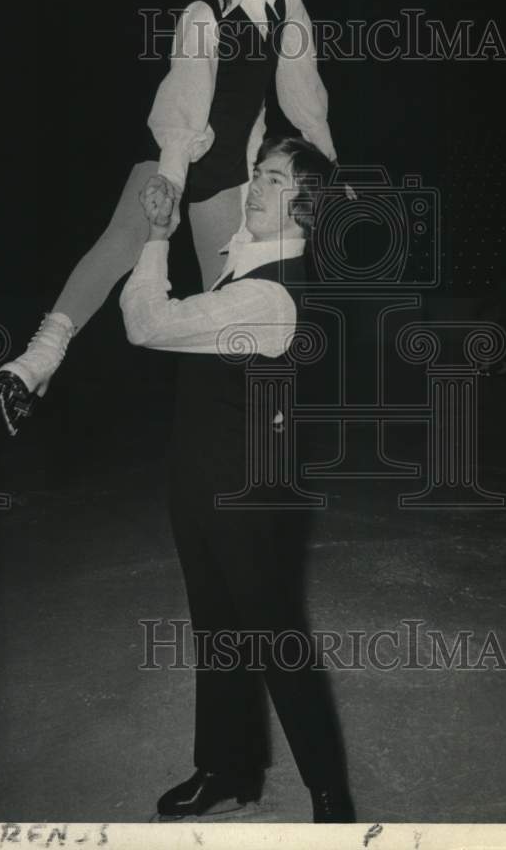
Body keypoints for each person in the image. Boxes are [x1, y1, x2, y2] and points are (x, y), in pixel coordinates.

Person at [0, 0, 337, 435]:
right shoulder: (203, 12)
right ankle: (37, 361)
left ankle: (264, 406)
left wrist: (327, 166)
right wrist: (170, 184)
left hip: (228, 171)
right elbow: (185, 105)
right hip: (176, 152)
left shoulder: (285, 6)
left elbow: (302, 97)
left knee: (226, 295)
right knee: (119, 244)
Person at [120, 135, 355, 824]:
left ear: (305, 207)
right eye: (258, 174)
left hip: (247, 499)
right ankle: (226, 768)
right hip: (201, 481)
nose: (256, 187)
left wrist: (156, 242)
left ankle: (330, 801)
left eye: (276, 180)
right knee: (217, 630)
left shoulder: (266, 296)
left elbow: (145, 324)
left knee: (277, 643)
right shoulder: (241, 269)